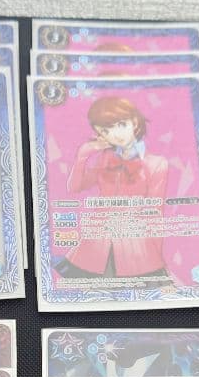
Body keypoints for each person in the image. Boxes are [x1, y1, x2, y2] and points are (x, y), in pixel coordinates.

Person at [56, 96, 169, 279]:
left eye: (121, 125)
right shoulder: (105, 158)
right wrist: (82, 155)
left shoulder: (157, 164)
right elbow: (74, 187)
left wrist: (157, 259)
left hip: (135, 248)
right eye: (106, 130)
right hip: (94, 246)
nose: (115, 135)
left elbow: (155, 215)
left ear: (135, 122)